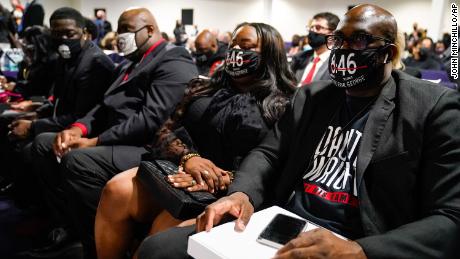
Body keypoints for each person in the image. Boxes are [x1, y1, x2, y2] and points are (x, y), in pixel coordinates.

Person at [136, 4, 460, 259]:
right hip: (281, 222)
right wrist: (242, 193)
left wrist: (362, 251)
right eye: (339, 40)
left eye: (358, 41)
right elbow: (268, 152)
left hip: (357, 240)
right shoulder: (313, 96)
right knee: (159, 249)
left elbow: (450, 216)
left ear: (388, 53)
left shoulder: (431, 107)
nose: (344, 49)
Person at [95, 22, 296, 259]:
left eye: (246, 46)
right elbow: (165, 131)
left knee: (162, 230)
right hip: (181, 167)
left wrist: (218, 178)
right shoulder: (203, 87)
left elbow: (275, 162)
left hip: (230, 188)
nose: (235, 52)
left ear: (270, 54)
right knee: (116, 189)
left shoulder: (284, 104)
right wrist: (190, 158)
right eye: (232, 44)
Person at [31, 7, 198, 258]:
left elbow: (151, 120)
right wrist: (78, 129)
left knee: (78, 160)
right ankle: (68, 226)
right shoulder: (130, 63)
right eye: (118, 30)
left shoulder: (174, 60)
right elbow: (103, 105)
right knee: (46, 143)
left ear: (150, 30)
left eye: (126, 30)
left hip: (148, 147)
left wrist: (94, 141)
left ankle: (97, 243)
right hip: (115, 139)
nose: (120, 36)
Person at [0, 7, 114, 199]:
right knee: (7, 122)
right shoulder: (65, 58)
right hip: (62, 121)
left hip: (85, 129)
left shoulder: (95, 63)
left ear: (84, 33)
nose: (62, 39)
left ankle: (39, 206)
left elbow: (81, 116)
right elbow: (60, 101)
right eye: (56, 34)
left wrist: (34, 126)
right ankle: (19, 189)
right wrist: (37, 113)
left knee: (31, 148)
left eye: (69, 33)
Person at [291, 12, 339, 86]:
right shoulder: (299, 57)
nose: (312, 31)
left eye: (318, 28)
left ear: (333, 34)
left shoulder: (339, 63)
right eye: (311, 27)